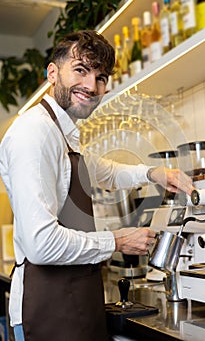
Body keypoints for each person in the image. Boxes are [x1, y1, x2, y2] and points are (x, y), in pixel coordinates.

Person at [0, 30, 193, 341]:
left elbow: (106, 171)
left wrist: (156, 173)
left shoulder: (62, 133)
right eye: (81, 70)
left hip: (78, 301)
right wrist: (117, 240)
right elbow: (41, 244)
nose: (92, 86)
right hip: (48, 310)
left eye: (101, 77)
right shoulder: (33, 133)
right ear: (53, 72)